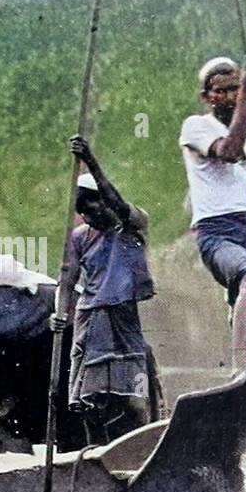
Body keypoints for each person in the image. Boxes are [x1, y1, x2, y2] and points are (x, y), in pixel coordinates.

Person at [178, 57, 246, 371]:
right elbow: (228, 151)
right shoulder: (196, 127)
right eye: (221, 91)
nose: (229, 97)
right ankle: (240, 372)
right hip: (217, 230)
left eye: (235, 90)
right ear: (206, 97)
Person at [53, 135, 156, 446]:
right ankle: (95, 452)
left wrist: (90, 160)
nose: (89, 217)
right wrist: (59, 313)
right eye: (82, 212)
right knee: (89, 400)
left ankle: (140, 448)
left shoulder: (132, 223)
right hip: (90, 317)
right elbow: (67, 281)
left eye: (92, 209)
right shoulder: (80, 236)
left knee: (132, 397)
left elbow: (114, 199)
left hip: (123, 317)